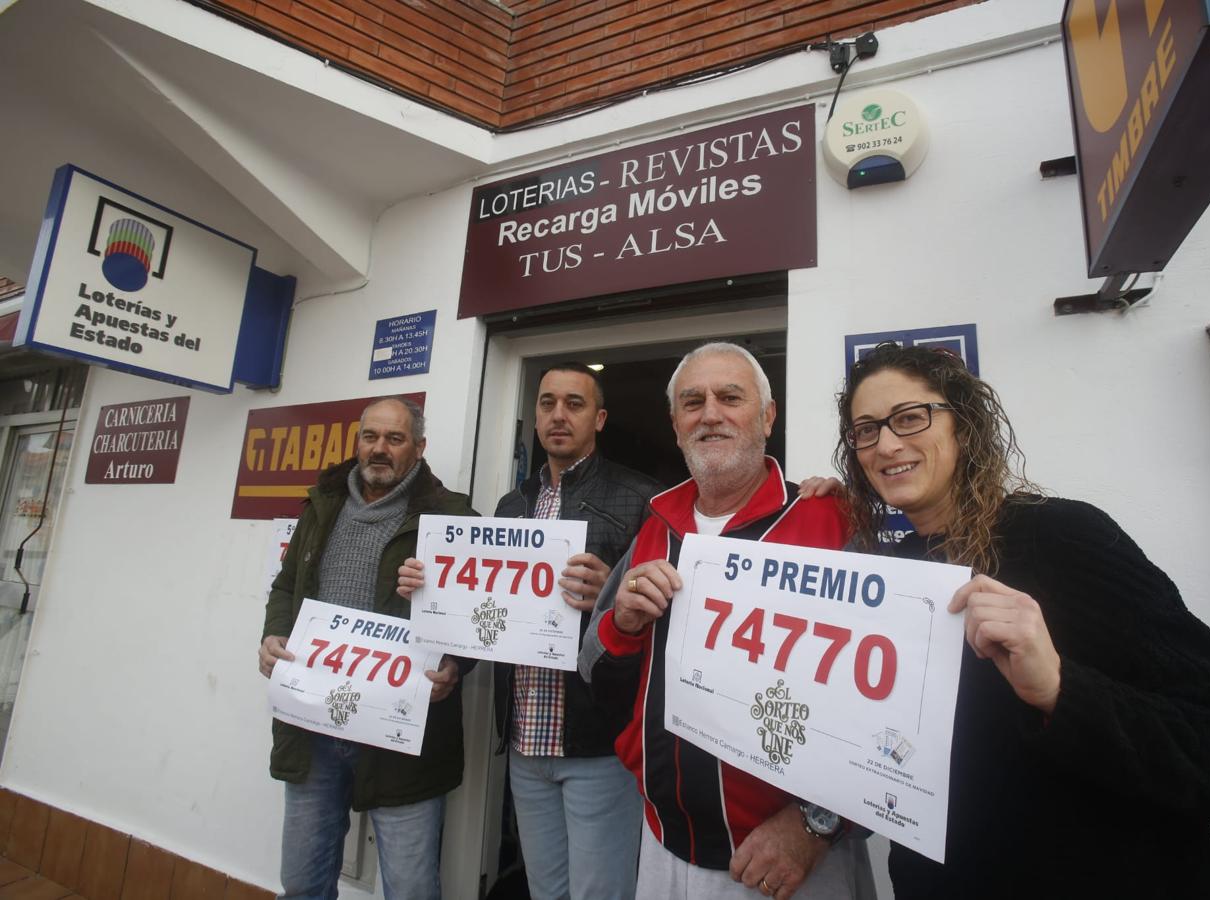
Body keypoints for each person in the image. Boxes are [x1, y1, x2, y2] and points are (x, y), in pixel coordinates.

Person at [833, 343, 1210, 898]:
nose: (886, 444)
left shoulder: (1063, 537)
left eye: (910, 418)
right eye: (865, 430)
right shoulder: (897, 573)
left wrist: (1061, 689)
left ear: (963, 424)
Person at [579, 342, 874, 900]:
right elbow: (594, 669)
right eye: (693, 402)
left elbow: (892, 717)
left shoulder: (831, 521)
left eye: (730, 398)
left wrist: (818, 823)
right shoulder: (655, 525)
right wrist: (621, 624)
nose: (710, 413)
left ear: (767, 416)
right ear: (675, 426)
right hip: (662, 845)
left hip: (786, 865)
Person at [399, 363, 660, 899]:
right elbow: (486, 617)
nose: (558, 415)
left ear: (600, 418)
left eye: (574, 403)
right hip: (524, 743)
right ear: (534, 416)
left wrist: (614, 591)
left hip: (599, 747)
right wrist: (435, 601)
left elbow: (670, 623)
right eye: (546, 403)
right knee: (545, 892)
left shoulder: (644, 501)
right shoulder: (510, 506)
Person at [258, 397, 477, 900]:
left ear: (419, 448)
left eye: (395, 439)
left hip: (401, 734)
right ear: (357, 442)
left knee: (410, 888)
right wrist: (273, 636)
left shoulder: (451, 516)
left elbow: (478, 616)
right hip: (312, 726)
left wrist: (455, 664)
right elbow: (285, 587)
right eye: (370, 437)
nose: (380, 449)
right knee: (302, 883)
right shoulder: (321, 503)